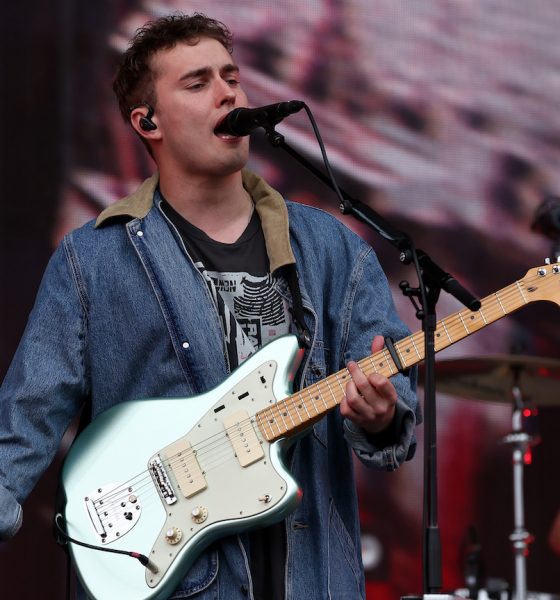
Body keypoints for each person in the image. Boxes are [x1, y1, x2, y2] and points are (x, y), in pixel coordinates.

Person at [0, 13, 420, 599]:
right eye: (197, 83)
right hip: (175, 580)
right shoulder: (93, 259)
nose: (228, 92)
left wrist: (381, 415)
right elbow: (25, 419)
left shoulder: (332, 249)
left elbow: (392, 403)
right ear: (147, 122)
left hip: (313, 579)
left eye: (231, 76)